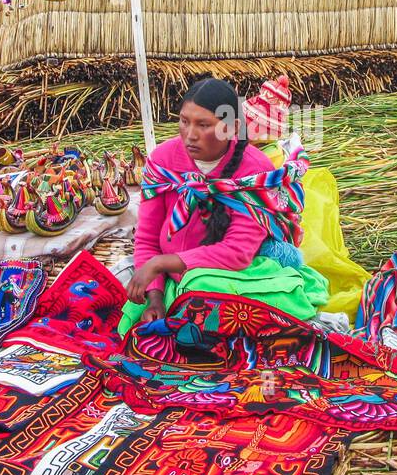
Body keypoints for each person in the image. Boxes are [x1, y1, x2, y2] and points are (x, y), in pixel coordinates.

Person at [118, 77, 328, 334]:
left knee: (203, 291)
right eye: (184, 122)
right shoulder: (163, 161)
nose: (190, 135)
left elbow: (236, 253)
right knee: (133, 317)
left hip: (232, 276)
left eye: (203, 125)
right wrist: (154, 296)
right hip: (173, 279)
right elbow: (148, 238)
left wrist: (161, 263)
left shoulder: (255, 171)